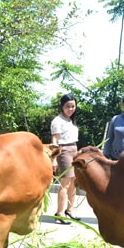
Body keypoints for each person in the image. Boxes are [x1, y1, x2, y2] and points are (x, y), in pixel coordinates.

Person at [51, 94, 80, 225]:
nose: (71, 109)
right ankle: (60, 213)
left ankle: (70, 210)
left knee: (74, 183)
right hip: (64, 151)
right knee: (65, 184)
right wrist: (54, 159)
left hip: (74, 149)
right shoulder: (57, 121)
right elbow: (55, 141)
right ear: (62, 106)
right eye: (68, 106)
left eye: (73, 106)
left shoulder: (71, 120)